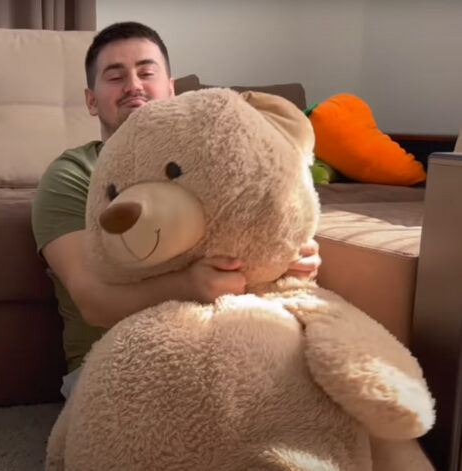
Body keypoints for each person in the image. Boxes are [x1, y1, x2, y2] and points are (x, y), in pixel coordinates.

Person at [30, 21, 321, 400]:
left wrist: (286, 257)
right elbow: (92, 300)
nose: (133, 85)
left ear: (171, 89)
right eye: (115, 76)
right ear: (91, 100)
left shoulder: (215, 162)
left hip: (230, 341)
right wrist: (189, 286)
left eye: (146, 73)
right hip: (114, 360)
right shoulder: (72, 174)